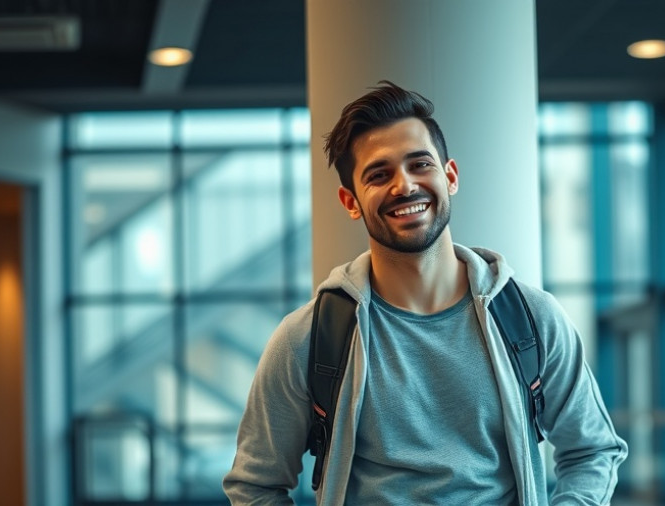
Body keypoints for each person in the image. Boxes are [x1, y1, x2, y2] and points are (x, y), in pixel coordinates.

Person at [223, 81, 627, 505]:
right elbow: (255, 486)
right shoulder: (307, 338)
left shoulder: (531, 318)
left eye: (420, 165)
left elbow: (593, 450)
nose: (404, 186)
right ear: (350, 201)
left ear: (449, 176)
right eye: (379, 175)